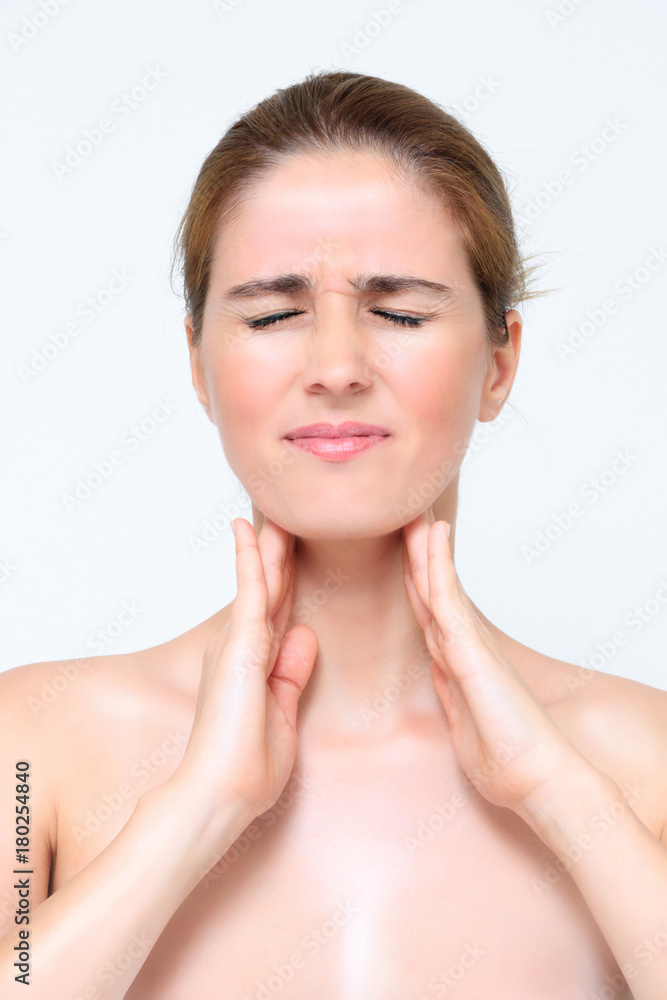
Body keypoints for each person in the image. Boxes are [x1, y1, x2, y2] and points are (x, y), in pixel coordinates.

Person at [1, 69, 666, 1000]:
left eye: (398, 313)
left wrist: (561, 796)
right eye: (274, 315)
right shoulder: (32, 745)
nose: (337, 367)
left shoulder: (640, 757)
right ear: (197, 362)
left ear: (498, 362)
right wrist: (195, 812)